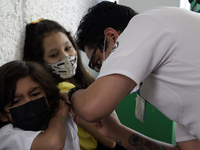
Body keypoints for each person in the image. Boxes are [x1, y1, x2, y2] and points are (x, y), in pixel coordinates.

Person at [63, 1, 200, 150]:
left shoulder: (144, 24)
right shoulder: (174, 78)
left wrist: (72, 93)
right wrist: (116, 131)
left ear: (112, 37)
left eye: (98, 62)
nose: (102, 72)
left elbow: (91, 108)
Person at [23, 19, 116, 150]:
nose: (66, 57)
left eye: (67, 48)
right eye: (54, 55)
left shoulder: (84, 78)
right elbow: (110, 140)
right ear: (39, 63)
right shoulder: (63, 92)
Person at [0, 60, 80, 150]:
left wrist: (66, 96)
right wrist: (58, 117)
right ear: (3, 115)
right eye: (17, 101)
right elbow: (53, 144)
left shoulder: (60, 114)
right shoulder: (7, 136)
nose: (29, 102)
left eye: (35, 94)